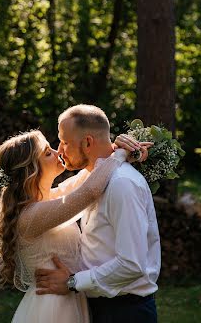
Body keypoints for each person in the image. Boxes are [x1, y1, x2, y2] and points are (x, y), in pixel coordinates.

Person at [0, 126, 149, 323]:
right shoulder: (32, 215)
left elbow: (88, 176)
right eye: (48, 153)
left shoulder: (48, 200)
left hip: (68, 295)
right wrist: (118, 156)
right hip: (52, 306)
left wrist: (114, 148)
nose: (59, 153)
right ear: (32, 169)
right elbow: (90, 190)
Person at [35, 104, 161, 323]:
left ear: (87, 142)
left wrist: (72, 282)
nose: (60, 150)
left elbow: (131, 264)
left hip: (125, 312)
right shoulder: (92, 178)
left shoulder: (122, 184)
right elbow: (51, 198)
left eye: (65, 142)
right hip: (96, 306)